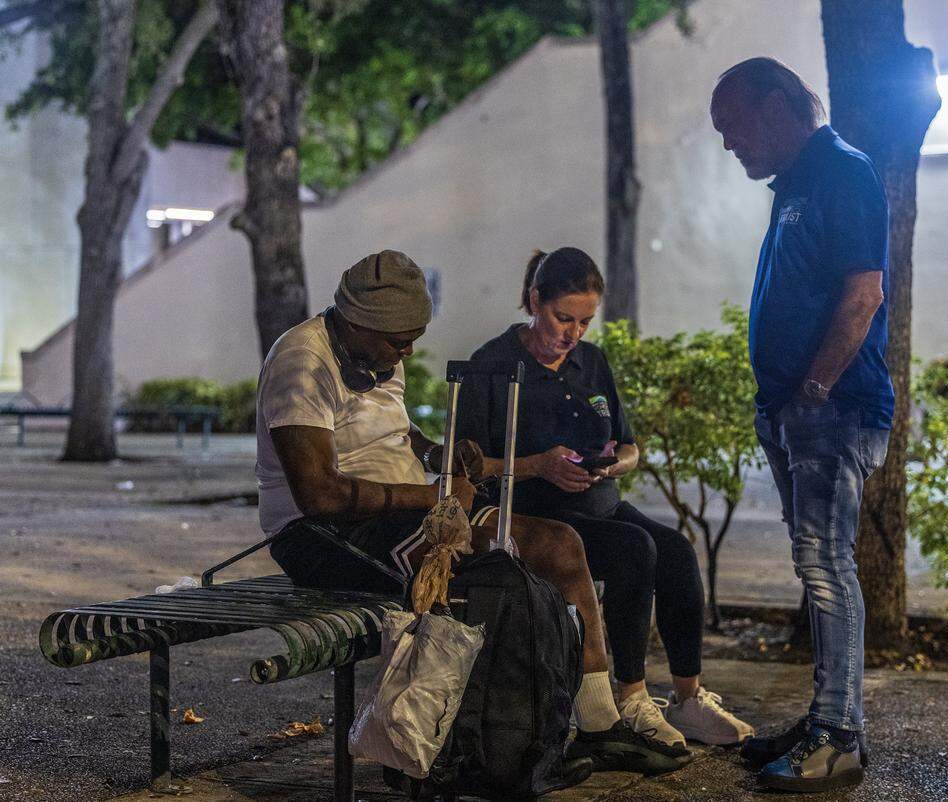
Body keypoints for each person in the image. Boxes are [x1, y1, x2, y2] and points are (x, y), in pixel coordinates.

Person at [255, 250, 690, 778]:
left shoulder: (375, 354)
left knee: (558, 545)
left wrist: (437, 454)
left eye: (415, 335)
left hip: (397, 512)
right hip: (324, 536)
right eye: (399, 340)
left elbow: (392, 434)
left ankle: (597, 724)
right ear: (357, 322)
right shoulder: (302, 361)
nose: (409, 351)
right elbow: (319, 494)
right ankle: (482, 749)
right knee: (495, 575)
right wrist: (434, 498)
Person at [455, 247, 755, 750]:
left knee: (677, 552)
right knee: (634, 548)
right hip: (538, 515)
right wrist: (537, 464)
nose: (573, 334)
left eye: (585, 322)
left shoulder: (591, 361)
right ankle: (632, 698)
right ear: (534, 300)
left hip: (601, 501)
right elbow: (467, 466)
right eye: (562, 318)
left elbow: (631, 444)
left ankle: (688, 699)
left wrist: (616, 463)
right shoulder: (494, 365)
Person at [710, 58, 892, 793]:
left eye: (736, 125)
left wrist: (814, 388)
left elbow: (863, 295)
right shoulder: (797, 181)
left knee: (825, 565)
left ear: (782, 106)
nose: (730, 144)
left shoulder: (842, 171)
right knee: (813, 566)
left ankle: (839, 737)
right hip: (797, 409)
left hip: (831, 409)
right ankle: (824, 718)